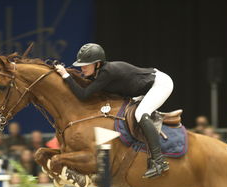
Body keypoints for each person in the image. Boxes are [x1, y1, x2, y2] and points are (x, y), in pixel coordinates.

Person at [55, 43, 173, 178]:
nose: (83, 68)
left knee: (140, 113)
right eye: (82, 64)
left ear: (98, 64)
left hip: (160, 84)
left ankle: (159, 160)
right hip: (145, 87)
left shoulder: (107, 72)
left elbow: (83, 95)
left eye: (86, 64)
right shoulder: (100, 72)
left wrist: (65, 75)